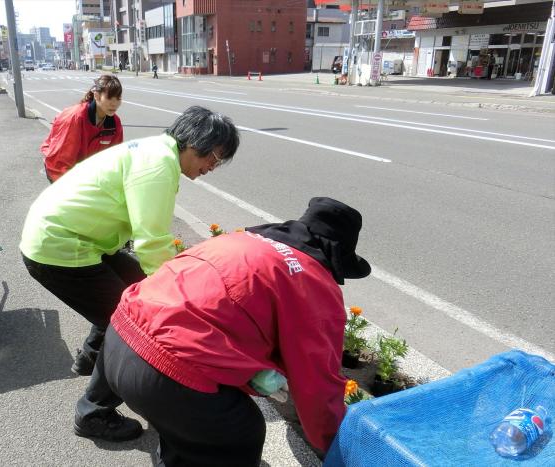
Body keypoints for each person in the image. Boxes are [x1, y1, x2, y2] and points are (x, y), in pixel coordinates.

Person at [90, 197, 372, 464]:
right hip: (166, 375)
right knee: (239, 435)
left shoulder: (240, 242)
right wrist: (337, 448)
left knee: (188, 432)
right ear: (336, 257)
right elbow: (317, 382)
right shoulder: (312, 281)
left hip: (118, 339)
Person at [20, 105, 240, 441]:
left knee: (130, 290)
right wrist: (176, 298)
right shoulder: (158, 166)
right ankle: (93, 411)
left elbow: (148, 244)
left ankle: (91, 361)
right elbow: (152, 243)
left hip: (77, 239)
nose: (213, 166)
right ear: (196, 143)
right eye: (214, 156)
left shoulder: (156, 151)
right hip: (60, 248)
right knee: (134, 325)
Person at [41, 75, 124, 183]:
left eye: (118, 98)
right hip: (60, 170)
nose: (114, 104)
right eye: (109, 98)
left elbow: (116, 158)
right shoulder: (75, 118)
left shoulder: (114, 123)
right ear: (96, 96)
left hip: (86, 172)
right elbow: (60, 162)